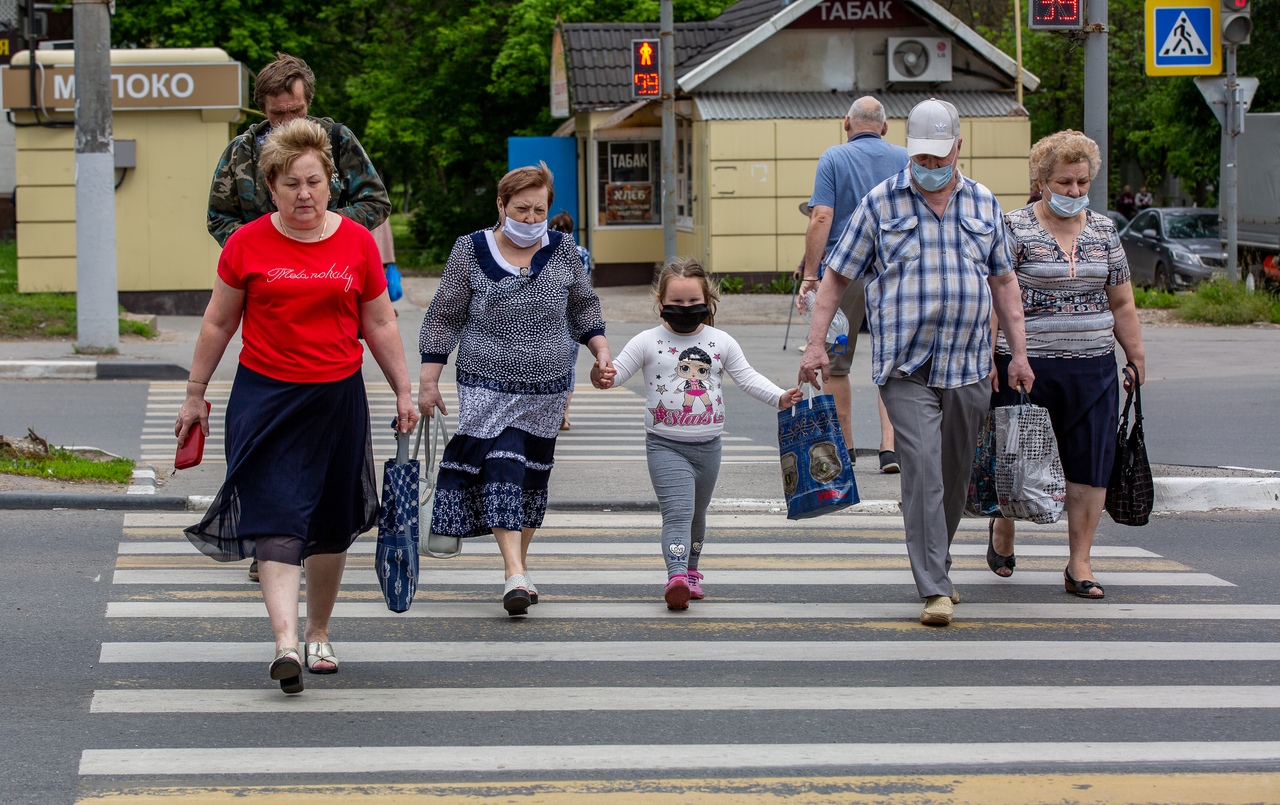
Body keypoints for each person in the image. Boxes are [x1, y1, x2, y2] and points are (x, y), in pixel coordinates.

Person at [176, 119, 418, 694]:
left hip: (337, 399)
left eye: (313, 181)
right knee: (278, 517)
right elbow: (218, 321)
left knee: (331, 525)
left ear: (330, 183)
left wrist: (404, 391)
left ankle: (318, 631)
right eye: (290, 184)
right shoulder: (247, 242)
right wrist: (195, 393)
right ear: (272, 187)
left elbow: (379, 322)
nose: (303, 193)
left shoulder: (356, 243)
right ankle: (284, 642)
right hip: (266, 398)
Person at [799, 98, 1035, 627]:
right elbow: (836, 276)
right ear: (909, 150)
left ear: (958, 147)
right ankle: (935, 585)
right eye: (921, 158)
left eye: (939, 157)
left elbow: (1004, 283)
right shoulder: (882, 203)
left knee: (952, 476)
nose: (930, 168)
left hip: (969, 364)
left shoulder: (983, 204)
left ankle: (938, 561)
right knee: (922, 469)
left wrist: (1017, 353)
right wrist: (816, 345)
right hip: (905, 365)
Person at [417, 163, 610, 617]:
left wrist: (601, 351)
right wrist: (428, 380)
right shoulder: (469, 250)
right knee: (503, 462)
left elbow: (583, 308)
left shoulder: (566, 252)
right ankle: (513, 572)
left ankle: (519, 566)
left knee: (532, 477)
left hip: (547, 388)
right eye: (520, 209)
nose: (529, 219)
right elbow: (444, 315)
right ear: (500, 205)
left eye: (538, 210)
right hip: (485, 382)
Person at [988, 130, 1145, 599]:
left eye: (1081, 183)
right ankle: (1004, 528)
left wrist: (1134, 356)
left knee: (1090, 465)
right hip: (1024, 365)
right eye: (1064, 183)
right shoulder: (1013, 227)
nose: (1074, 192)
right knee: (1017, 461)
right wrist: (988, 354)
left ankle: (1080, 563)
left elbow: (1122, 302)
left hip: (1093, 367)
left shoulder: (1103, 231)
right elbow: (995, 296)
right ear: (1041, 181)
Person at [595, 258, 802, 609]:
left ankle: (692, 572)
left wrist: (780, 397)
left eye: (693, 302)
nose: (685, 309)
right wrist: (601, 376)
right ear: (660, 302)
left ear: (707, 301)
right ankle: (676, 575)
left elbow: (748, 377)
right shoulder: (647, 341)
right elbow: (615, 374)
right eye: (676, 303)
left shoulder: (721, 341)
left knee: (697, 514)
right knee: (678, 512)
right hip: (664, 445)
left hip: (709, 447)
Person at [798, 95, 908, 474]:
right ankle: (889, 449)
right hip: (894, 274)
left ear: (847, 124)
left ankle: (844, 447)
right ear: (885, 127)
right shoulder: (905, 158)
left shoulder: (833, 157)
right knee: (892, 361)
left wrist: (811, 276)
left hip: (844, 276)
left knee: (837, 364)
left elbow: (821, 216)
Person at [207, 52, 390, 248]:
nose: (288, 121)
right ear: (263, 109)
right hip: (265, 266)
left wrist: (321, 226)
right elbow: (218, 218)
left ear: (308, 102)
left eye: (296, 111)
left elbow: (376, 203)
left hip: (327, 261)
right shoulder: (239, 152)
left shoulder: (338, 140)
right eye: (278, 113)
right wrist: (262, 243)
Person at [548, 212, 592, 431]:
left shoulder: (542, 249)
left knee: (546, 365)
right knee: (569, 367)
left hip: (549, 317)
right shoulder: (581, 252)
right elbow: (585, 287)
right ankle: (564, 415)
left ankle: (549, 412)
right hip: (571, 319)